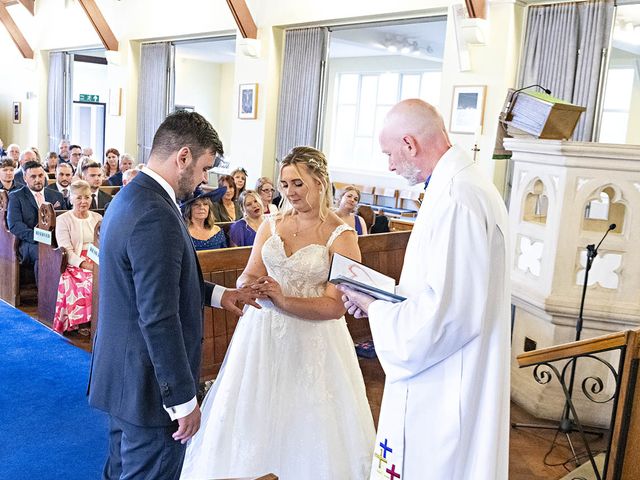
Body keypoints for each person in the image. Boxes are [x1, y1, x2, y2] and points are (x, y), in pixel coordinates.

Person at [338, 99, 510, 480]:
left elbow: (448, 314)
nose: (390, 166)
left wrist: (376, 308)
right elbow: (445, 288)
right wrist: (385, 299)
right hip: (448, 370)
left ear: (410, 144)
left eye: (390, 153)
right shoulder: (460, 184)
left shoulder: (457, 198)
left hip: (446, 384)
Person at [181, 146, 375, 480]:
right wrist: (252, 286)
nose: (290, 192)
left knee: (308, 416)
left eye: (298, 183)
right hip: (262, 333)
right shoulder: (272, 224)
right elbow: (248, 273)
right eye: (285, 184)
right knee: (252, 408)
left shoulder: (341, 235)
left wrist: (283, 300)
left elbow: (335, 305)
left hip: (313, 341)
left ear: (319, 180)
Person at [88, 110, 262, 480]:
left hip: (124, 376)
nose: (203, 181)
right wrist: (182, 400)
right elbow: (158, 314)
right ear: (182, 156)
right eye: (203, 169)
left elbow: (155, 285)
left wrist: (219, 295)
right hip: (150, 388)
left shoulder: (131, 196)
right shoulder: (156, 213)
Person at [52, 180, 102, 336]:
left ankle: (104, 320)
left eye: (87, 197)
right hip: (74, 262)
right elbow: (66, 249)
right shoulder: (63, 220)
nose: (83, 201)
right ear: (71, 199)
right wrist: (85, 265)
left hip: (98, 258)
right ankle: (84, 321)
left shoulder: (98, 217)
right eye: (79, 197)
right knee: (88, 283)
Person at [7, 161, 65, 277]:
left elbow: (64, 219)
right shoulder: (16, 196)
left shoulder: (56, 195)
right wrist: (40, 238)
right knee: (43, 253)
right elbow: (15, 225)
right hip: (29, 242)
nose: (38, 179)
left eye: (40, 175)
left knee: (67, 252)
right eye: (33, 176)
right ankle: (45, 294)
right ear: (25, 178)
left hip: (56, 239)